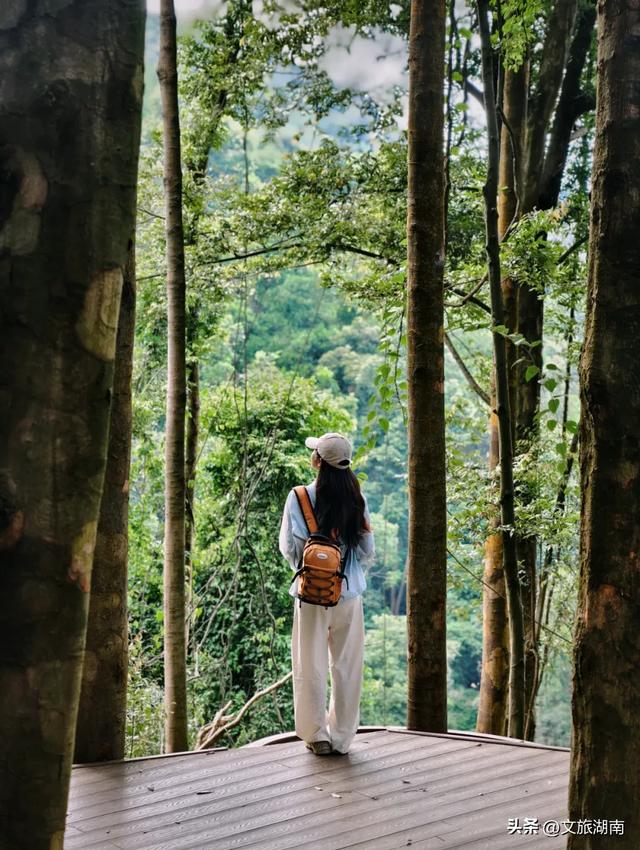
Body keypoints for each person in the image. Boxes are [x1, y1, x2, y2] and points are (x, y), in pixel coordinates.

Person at [279, 432, 375, 756]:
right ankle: (343, 738)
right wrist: (343, 568)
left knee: (311, 664)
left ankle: (316, 735)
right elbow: (366, 550)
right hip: (348, 594)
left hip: (310, 595)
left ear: (318, 461)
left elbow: (289, 549)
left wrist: (314, 565)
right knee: (346, 667)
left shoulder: (299, 497)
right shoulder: (357, 500)